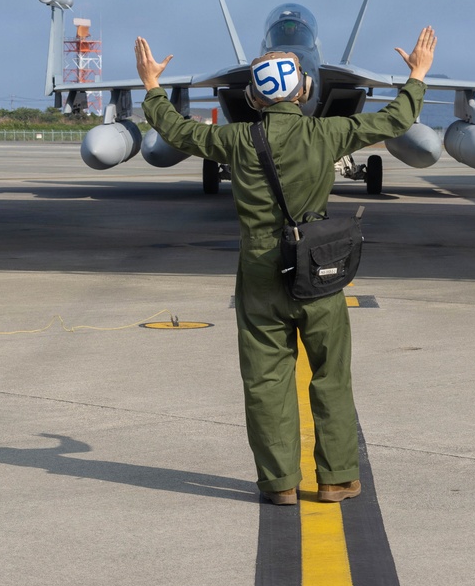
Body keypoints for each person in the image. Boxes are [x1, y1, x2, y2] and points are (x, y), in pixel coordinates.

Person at [134, 26, 437, 504]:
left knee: (265, 379)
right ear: (307, 90)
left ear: (253, 97)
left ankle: (279, 484)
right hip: (318, 266)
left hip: (258, 269)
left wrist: (151, 86)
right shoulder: (329, 133)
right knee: (330, 376)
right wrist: (416, 75)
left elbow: (177, 131)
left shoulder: (233, 140)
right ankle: (337, 478)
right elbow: (394, 121)